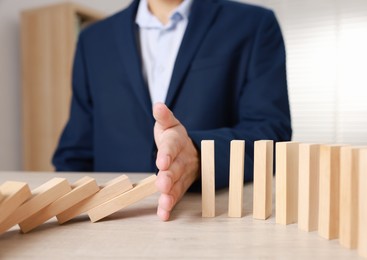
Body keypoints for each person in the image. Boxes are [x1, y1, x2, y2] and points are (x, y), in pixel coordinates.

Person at [53, 0, 292, 221]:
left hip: (210, 221)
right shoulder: (92, 40)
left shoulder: (253, 24)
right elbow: (75, 152)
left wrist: (197, 155)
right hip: (109, 223)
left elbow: (271, 134)